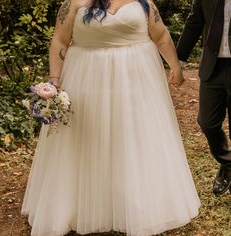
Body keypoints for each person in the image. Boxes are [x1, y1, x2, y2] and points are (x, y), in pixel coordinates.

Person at [22, 0, 200, 235]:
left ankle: (136, 205)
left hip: (136, 80)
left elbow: (161, 36)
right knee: (89, 137)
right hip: (87, 77)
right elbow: (60, 40)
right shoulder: (75, 2)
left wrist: (175, 67)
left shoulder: (144, 3)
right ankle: (79, 205)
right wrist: (54, 80)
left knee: (133, 138)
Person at [176, 0, 231, 196]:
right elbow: (194, 23)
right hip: (212, 68)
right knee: (207, 122)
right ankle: (227, 162)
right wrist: (178, 61)